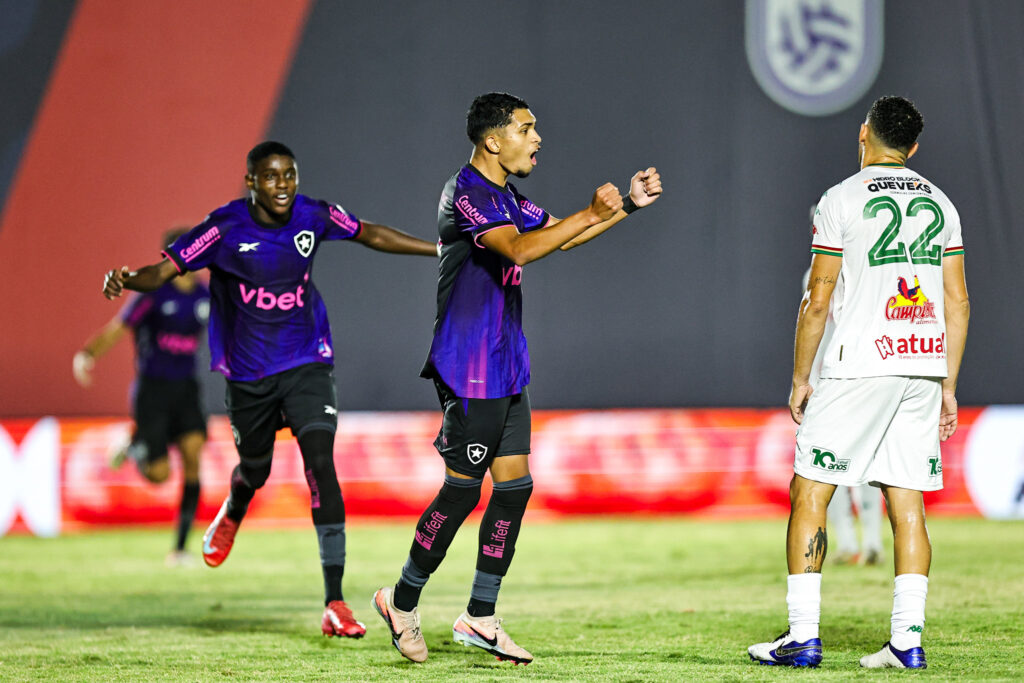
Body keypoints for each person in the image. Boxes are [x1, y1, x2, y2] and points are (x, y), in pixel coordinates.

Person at [101, 141, 437, 639]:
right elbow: (163, 270)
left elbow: (369, 233)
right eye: (271, 176)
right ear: (251, 181)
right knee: (254, 470)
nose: (282, 185)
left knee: (320, 463)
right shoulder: (223, 228)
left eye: (289, 175)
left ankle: (335, 602)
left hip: (306, 361)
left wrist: (437, 249)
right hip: (249, 376)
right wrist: (128, 279)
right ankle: (235, 507)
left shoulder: (312, 215)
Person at [371, 92, 662, 664]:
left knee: (514, 488)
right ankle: (400, 601)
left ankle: (479, 616)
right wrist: (590, 212)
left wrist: (626, 205)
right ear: (493, 139)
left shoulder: (505, 196)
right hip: (468, 366)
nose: (537, 139)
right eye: (526, 129)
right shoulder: (467, 194)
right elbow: (520, 252)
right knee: (461, 491)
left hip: (504, 362)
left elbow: (560, 235)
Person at [748, 96, 968, 669]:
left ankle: (802, 636)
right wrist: (947, 385)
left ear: (864, 133)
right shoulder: (942, 203)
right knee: (907, 502)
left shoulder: (841, 198)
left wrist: (801, 377)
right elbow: (958, 301)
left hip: (859, 363)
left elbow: (817, 299)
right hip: (923, 365)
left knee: (810, 491)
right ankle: (907, 641)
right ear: (913, 146)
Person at [75, 227, 210, 567]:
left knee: (193, 456)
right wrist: (88, 354)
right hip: (152, 390)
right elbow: (119, 327)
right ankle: (136, 443)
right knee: (160, 475)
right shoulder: (152, 294)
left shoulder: (205, 296)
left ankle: (180, 549)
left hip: (186, 388)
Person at [802, 203, 885, 567]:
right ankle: (862, 542)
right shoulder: (871, 270)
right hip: (858, 375)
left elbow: (815, 327)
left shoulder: (816, 274)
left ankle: (859, 543)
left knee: (827, 464)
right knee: (862, 465)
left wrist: (804, 380)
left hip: (836, 378)